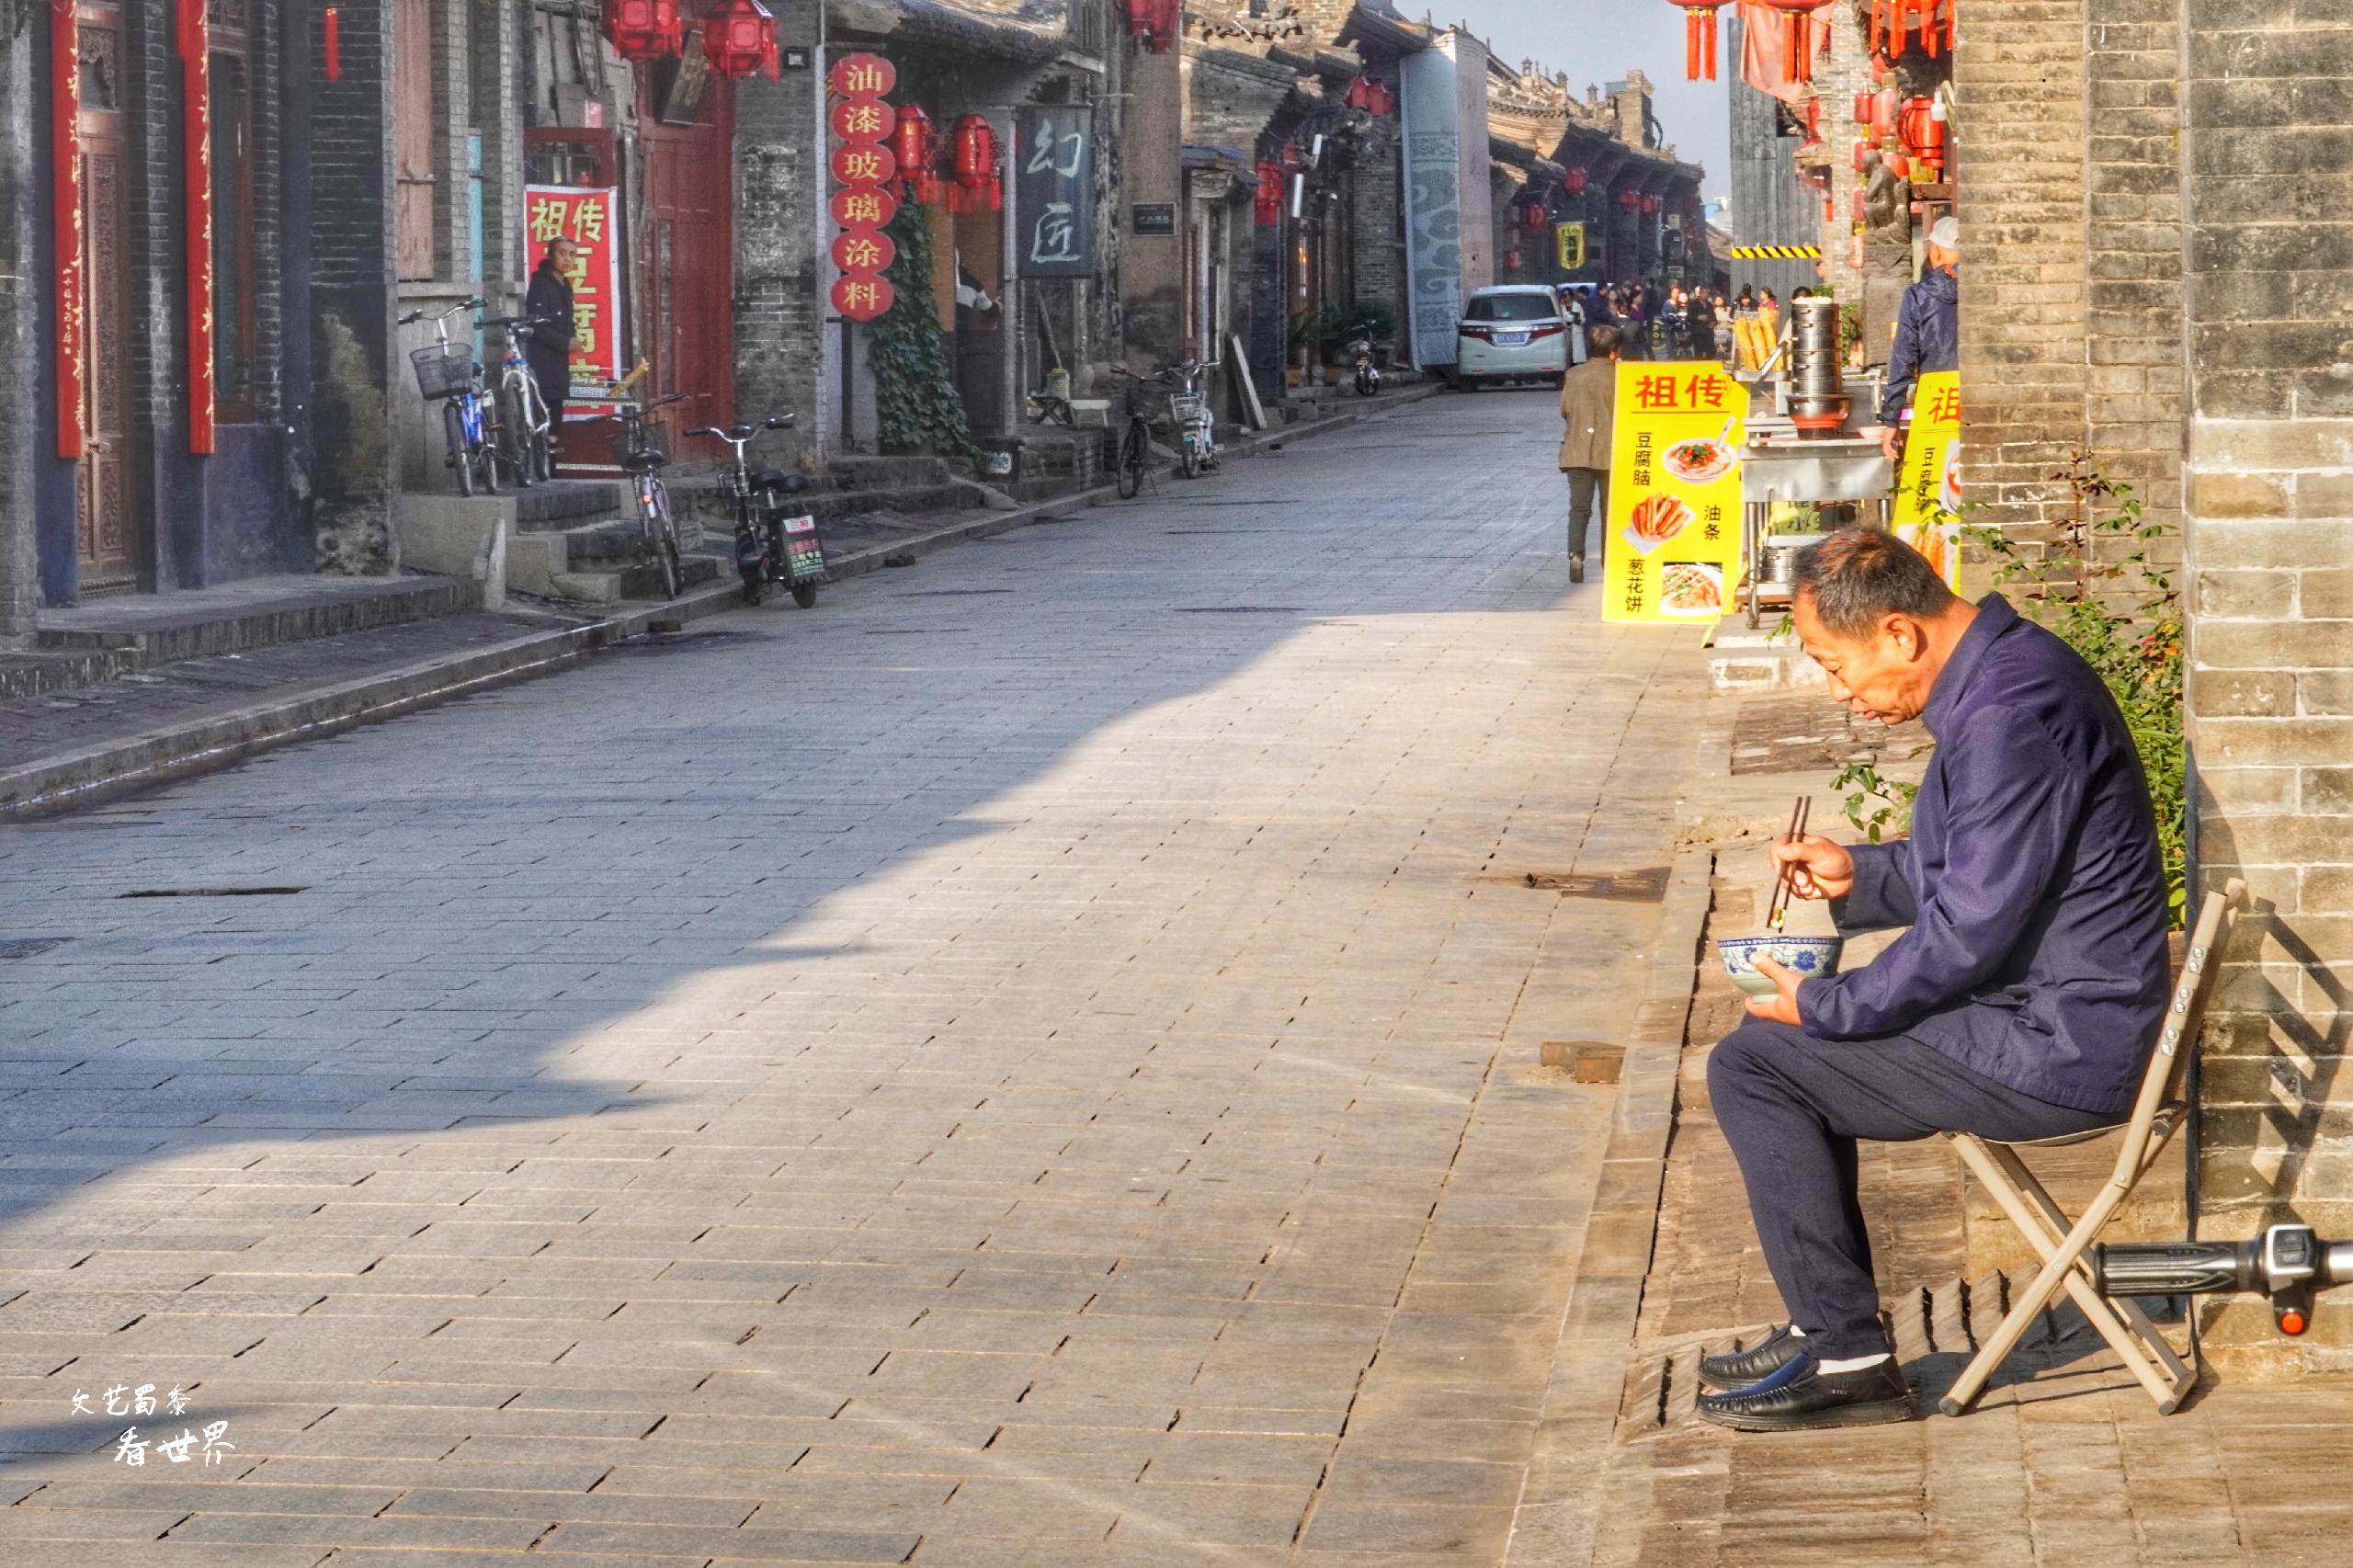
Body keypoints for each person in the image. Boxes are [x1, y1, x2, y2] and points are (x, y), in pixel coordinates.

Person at [1695, 530, 2169, 1432]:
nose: (1841, 692)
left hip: (2058, 1040)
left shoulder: (2007, 712)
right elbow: (1979, 869)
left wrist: (1828, 1002)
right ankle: (1821, 1324)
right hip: (2046, 1012)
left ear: (1900, 634)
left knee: (1757, 1062)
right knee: (1779, 1049)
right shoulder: (2008, 674)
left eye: (1839, 666)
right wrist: (1856, 874)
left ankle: (1846, 1352)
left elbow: (1969, 928)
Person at [1877, 216, 1960, 464]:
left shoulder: (1918, 295)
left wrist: (1891, 419)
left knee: (1934, 473)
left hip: (1936, 396)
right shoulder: (1984, 289)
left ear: (1935, 251)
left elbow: (1903, 357)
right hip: (1977, 395)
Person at [1557, 324, 1620, 585]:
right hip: (1612, 452)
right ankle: (1610, 562)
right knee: (1610, 509)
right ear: (1614, 352)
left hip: (1577, 450)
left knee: (1579, 507)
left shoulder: (1574, 375)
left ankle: (1576, 555)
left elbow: (1565, 409)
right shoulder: (1621, 376)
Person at [524, 238, 579, 468]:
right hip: (542, 359)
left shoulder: (565, 285)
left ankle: (552, 461)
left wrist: (573, 339)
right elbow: (536, 326)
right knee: (545, 408)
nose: (567, 259)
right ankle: (545, 465)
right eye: (562, 253)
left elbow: (567, 321)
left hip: (559, 360)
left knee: (556, 409)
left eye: (572, 254)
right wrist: (564, 343)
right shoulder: (540, 285)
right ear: (550, 255)